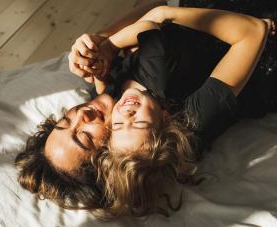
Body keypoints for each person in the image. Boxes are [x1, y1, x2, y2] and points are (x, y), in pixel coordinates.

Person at [69, 1, 277, 218]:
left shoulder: (113, 107)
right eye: (84, 136)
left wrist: (99, 43)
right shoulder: (192, 121)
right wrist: (159, 15)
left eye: (118, 125)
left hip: (221, 30)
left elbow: (148, 11)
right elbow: (252, 32)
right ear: (166, 120)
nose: (126, 114)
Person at [14, 0, 168, 219]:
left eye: (65, 121)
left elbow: (155, 5)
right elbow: (159, 14)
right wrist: (111, 45)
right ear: (111, 158)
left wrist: (98, 42)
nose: (82, 114)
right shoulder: (160, 106)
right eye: (85, 137)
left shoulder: (106, 87)